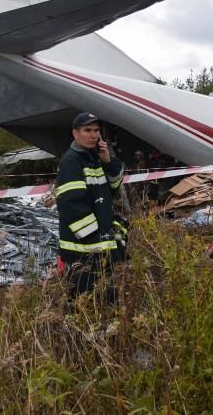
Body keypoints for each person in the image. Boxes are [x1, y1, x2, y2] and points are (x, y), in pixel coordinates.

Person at [56, 112, 127, 300]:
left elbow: (115, 185)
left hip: (100, 245)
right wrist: (94, 235)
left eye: (96, 130)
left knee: (107, 298)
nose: (93, 135)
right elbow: (70, 204)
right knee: (83, 301)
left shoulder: (95, 158)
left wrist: (108, 161)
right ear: (75, 133)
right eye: (87, 130)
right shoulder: (71, 161)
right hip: (83, 248)